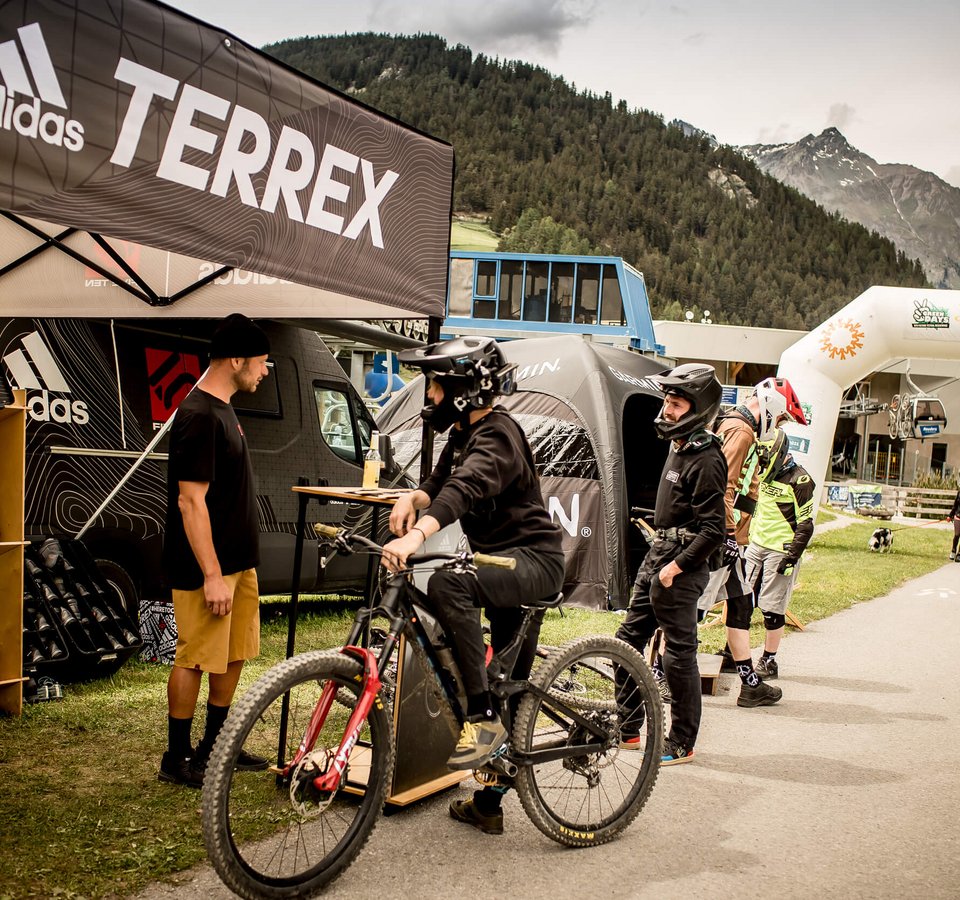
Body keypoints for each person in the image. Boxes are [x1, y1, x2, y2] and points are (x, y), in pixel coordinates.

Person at [381, 336, 564, 833]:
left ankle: (480, 717)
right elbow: (440, 483)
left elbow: (465, 489)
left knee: (446, 583)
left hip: (532, 562)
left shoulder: (499, 435)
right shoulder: (464, 432)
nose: (430, 398)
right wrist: (412, 498)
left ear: (462, 389)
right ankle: (489, 805)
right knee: (505, 681)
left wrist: (420, 533)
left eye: (435, 386)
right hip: (498, 560)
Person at [159, 314, 271, 787]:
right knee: (196, 657)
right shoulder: (199, 414)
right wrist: (210, 574)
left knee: (232, 655)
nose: (264, 372)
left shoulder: (223, 408)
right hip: (208, 567)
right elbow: (190, 501)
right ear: (237, 359)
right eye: (262, 363)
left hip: (238, 563)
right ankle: (178, 757)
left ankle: (215, 748)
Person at [615, 364, 726, 765]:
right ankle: (626, 727)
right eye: (667, 401)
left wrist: (674, 567)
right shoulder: (678, 446)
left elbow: (714, 529)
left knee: (678, 655)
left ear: (698, 408)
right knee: (626, 639)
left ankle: (682, 741)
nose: (667, 410)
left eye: (676, 404)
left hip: (679, 566)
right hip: (657, 555)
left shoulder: (708, 458)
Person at [698, 377, 806, 709]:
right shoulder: (742, 432)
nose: (780, 425)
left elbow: (743, 489)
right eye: (783, 417)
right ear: (772, 407)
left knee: (742, 605)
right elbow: (724, 487)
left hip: (736, 536)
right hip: (722, 538)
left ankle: (749, 683)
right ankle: (662, 673)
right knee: (694, 608)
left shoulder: (741, 428)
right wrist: (728, 536)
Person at [745, 428, 816, 681]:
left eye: (765, 460)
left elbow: (806, 524)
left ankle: (769, 659)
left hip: (780, 549)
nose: (762, 465)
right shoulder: (762, 475)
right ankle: (736, 654)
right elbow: (753, 505)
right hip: (755, 546)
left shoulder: (800, 480)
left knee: (771, 608)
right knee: (740, 601)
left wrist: (792, 556)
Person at [949, 488, 960, 561]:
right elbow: (955, 504)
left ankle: (959, 554)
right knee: (957, 534)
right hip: (958, 516)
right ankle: (953, 549)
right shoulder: (959, 492)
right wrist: (950, 516)